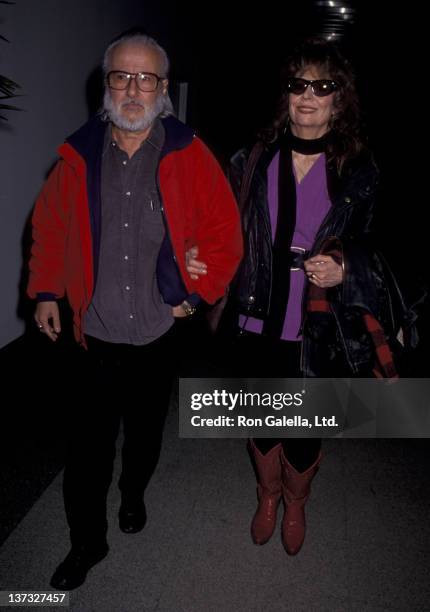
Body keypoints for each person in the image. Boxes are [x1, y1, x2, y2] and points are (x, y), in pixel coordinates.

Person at [27, 29, 242, 590]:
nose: (132, 88)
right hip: (93, 331)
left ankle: (134, 491)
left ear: (163, 89)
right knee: (87, 448)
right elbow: (49, 228)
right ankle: (86, 543)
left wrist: (195, 296)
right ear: (107, 84)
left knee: (144, 434)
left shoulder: (189, 153)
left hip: (157, 331)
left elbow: (224, 232)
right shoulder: (78, 155)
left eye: (146, 78)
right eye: (121, 75)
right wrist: (46, 290)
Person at [187, 37, 406, 556]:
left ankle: (297, 500)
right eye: (297, 84)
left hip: (320, 322)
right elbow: (221, 226)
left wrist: (347, 265)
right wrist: (196, 251)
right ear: (285, 95)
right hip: (257, 310)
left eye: (322, 86)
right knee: (264, 417)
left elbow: (387, 246)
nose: (308, 95)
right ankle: (267, 495)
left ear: (340, 98)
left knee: (305, 427)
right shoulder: (254, 157)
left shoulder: (361, 169)